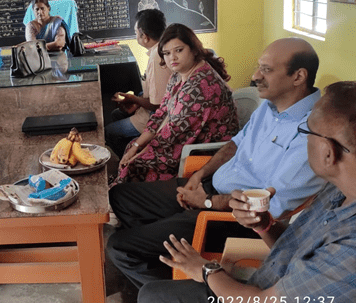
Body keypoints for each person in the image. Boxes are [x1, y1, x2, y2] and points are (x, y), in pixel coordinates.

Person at [107, 38, 326, 288]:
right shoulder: (270, 107)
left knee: (120, 248)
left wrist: (207, 202)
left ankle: (185, 298)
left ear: (298, 77)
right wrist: (198, 177)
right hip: (211, 188)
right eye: (259, 66)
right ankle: (167, 256)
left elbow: (266, 209)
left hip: (232, 219)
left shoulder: (311, 133)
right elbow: (234, 145)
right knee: (120, 196)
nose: (255, 76)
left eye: (266, 69)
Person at [138, 81, 356, 303]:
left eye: (306, 132)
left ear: (328, 152)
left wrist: (206, 270)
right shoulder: (337, 192)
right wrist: (264, 225)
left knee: (154, 300)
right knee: (151, 295)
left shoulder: (351, 249)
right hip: (263, 288)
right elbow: (295, 251)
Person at [110, 24, 239, 185]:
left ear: (193, 49)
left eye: (179, 50)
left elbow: (174, 133)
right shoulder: (179, 76)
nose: (172, 58)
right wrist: (137, 145)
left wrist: (141, 153)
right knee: (132, 147)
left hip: (205, 151)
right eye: (167, 53)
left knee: (137, 164)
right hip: (184, 139)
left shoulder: (200, 87)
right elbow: (161, 113)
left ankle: (132, 200)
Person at [105, 9, 171, 158]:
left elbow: (157, 104)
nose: (136, 36)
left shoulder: (156, 58)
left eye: (136, 33)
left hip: (155, 117)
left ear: (145, 37)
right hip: (150, 110)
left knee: (109, 131)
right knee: (116, 114)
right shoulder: (160, 50)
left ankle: (132, 162)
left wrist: (134, 99)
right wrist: (137, 101)